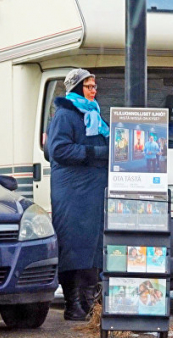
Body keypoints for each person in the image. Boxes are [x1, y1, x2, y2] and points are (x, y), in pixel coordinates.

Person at [46, 68, 109, 320]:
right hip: (72, 191)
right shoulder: (65, 114)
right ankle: (72, 303)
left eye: (94, 86)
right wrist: (94, 153)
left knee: (93, 246)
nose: (94, 91)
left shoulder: (95, 114)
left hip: (93, 190)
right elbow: (58, 150)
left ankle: (88, 302)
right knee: (73, 244)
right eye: (88, 87)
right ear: (75, 89)